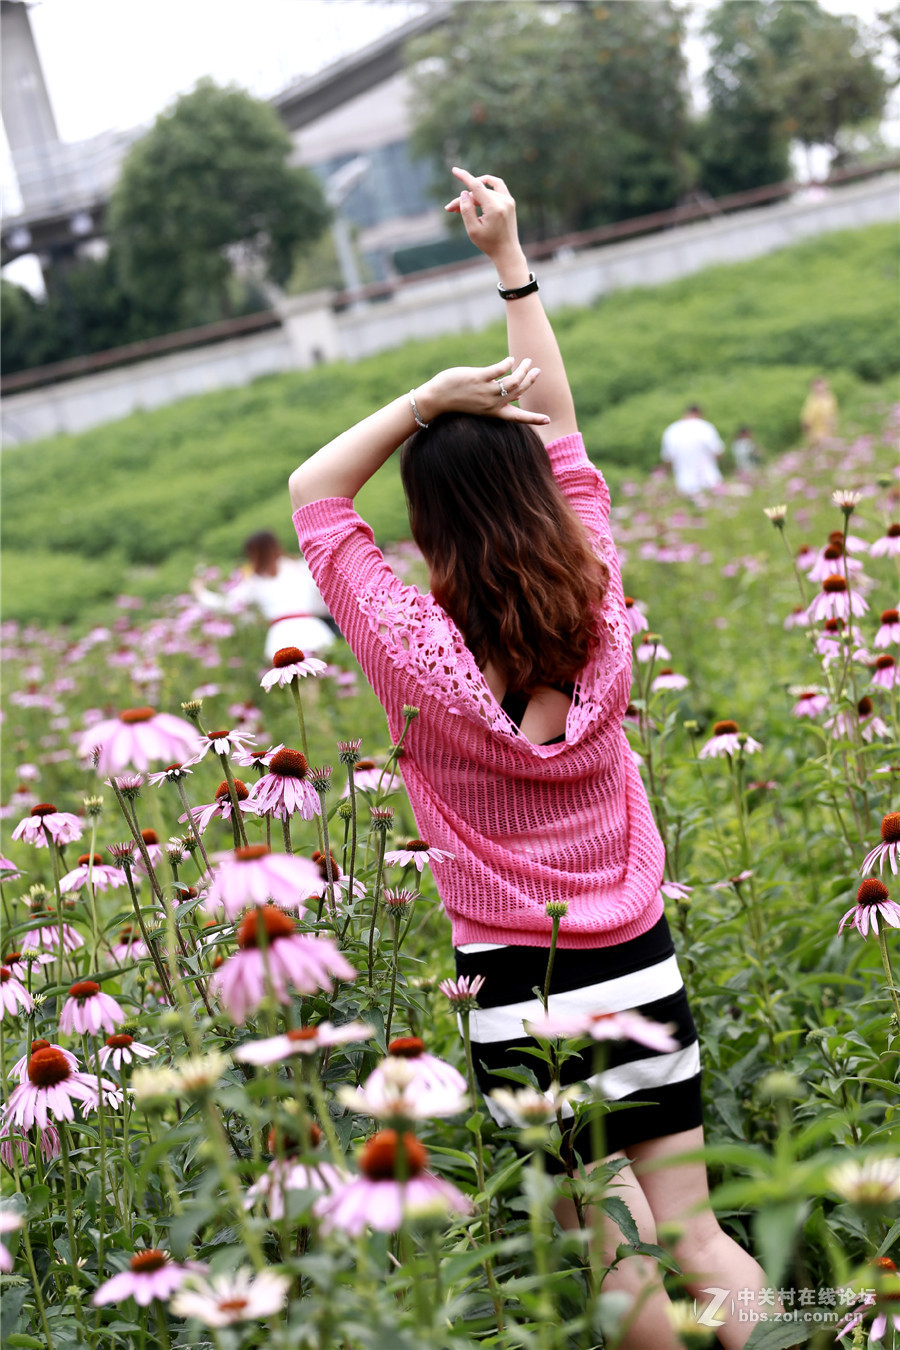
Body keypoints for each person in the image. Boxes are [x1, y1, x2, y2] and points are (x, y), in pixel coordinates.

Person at [289, 167, 771, 1349]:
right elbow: (565, 437)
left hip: (516, 979)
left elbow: (313, 493)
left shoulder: (411, 650)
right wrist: (512, 263)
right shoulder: (598, 600)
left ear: (429, 525)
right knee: (699, 1236)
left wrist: (424, 400)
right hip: (639, 955)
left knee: (615, 1250)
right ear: (541, 496)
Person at [191, 530, 335, 664]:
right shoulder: (299, 567)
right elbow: (323, 598)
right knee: (322, 679)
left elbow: (227, 605)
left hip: (281, 635)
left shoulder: (254, 581)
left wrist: (200, 592)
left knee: (297, 685)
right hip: (313, 629)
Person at [660, 404, 724, 497]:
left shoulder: (671, 430)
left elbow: (667, 461)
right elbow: (719, 453)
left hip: (684, 485)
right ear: (699, 414)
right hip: (711, 482)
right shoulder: (705, 427)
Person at [800, 376, 838, 447]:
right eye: (817, 385)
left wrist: (832, 426)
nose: (819, 388)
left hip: (828, 431)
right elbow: (806, 418)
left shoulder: (830, 398)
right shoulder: (811, 399)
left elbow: (834, 414)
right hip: (815, 433)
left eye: (821, 385)